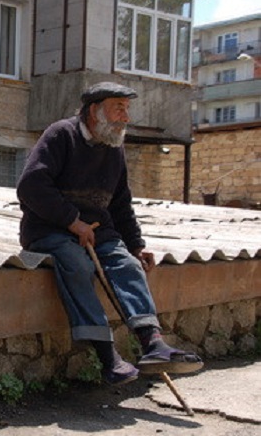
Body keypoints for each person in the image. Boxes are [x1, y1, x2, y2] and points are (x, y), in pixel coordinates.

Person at [16, 82, 203, 386]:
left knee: (128, 265)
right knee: (78, 264)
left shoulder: (114, 148)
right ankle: (108, 358)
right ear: (94, 110)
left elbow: (120, 204)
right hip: (49, 230)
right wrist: (72, 221)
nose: (125, 117)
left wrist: (136, 245)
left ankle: (152, 343)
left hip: (99, 232)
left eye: (126, 109)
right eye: (119, 107)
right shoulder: (61, 135)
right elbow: (31, 186)